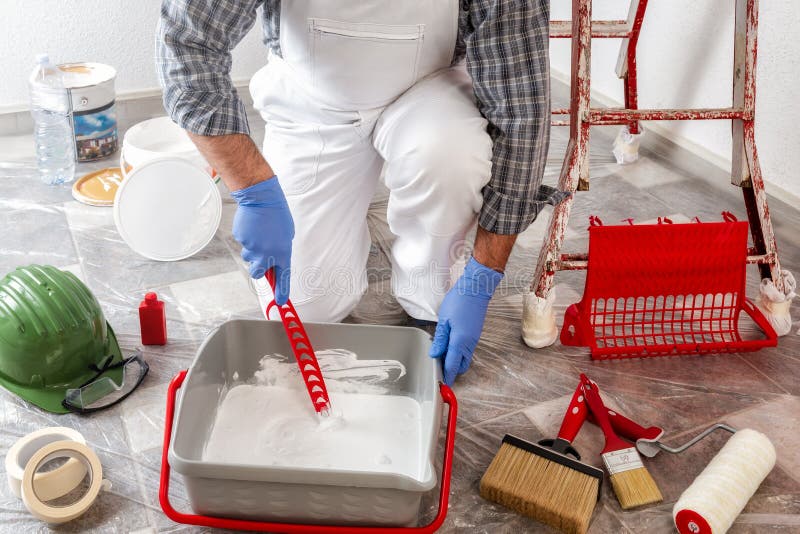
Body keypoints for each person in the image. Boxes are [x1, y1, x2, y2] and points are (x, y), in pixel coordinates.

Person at [156, 0, 564, 385]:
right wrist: (254, 191)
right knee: (307, 307)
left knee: (451, 157)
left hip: (428, 95)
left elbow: (521, 113)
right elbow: (188, 45)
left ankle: (429, 291)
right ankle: (350, 225)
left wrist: (482, 275)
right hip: (312, 99)